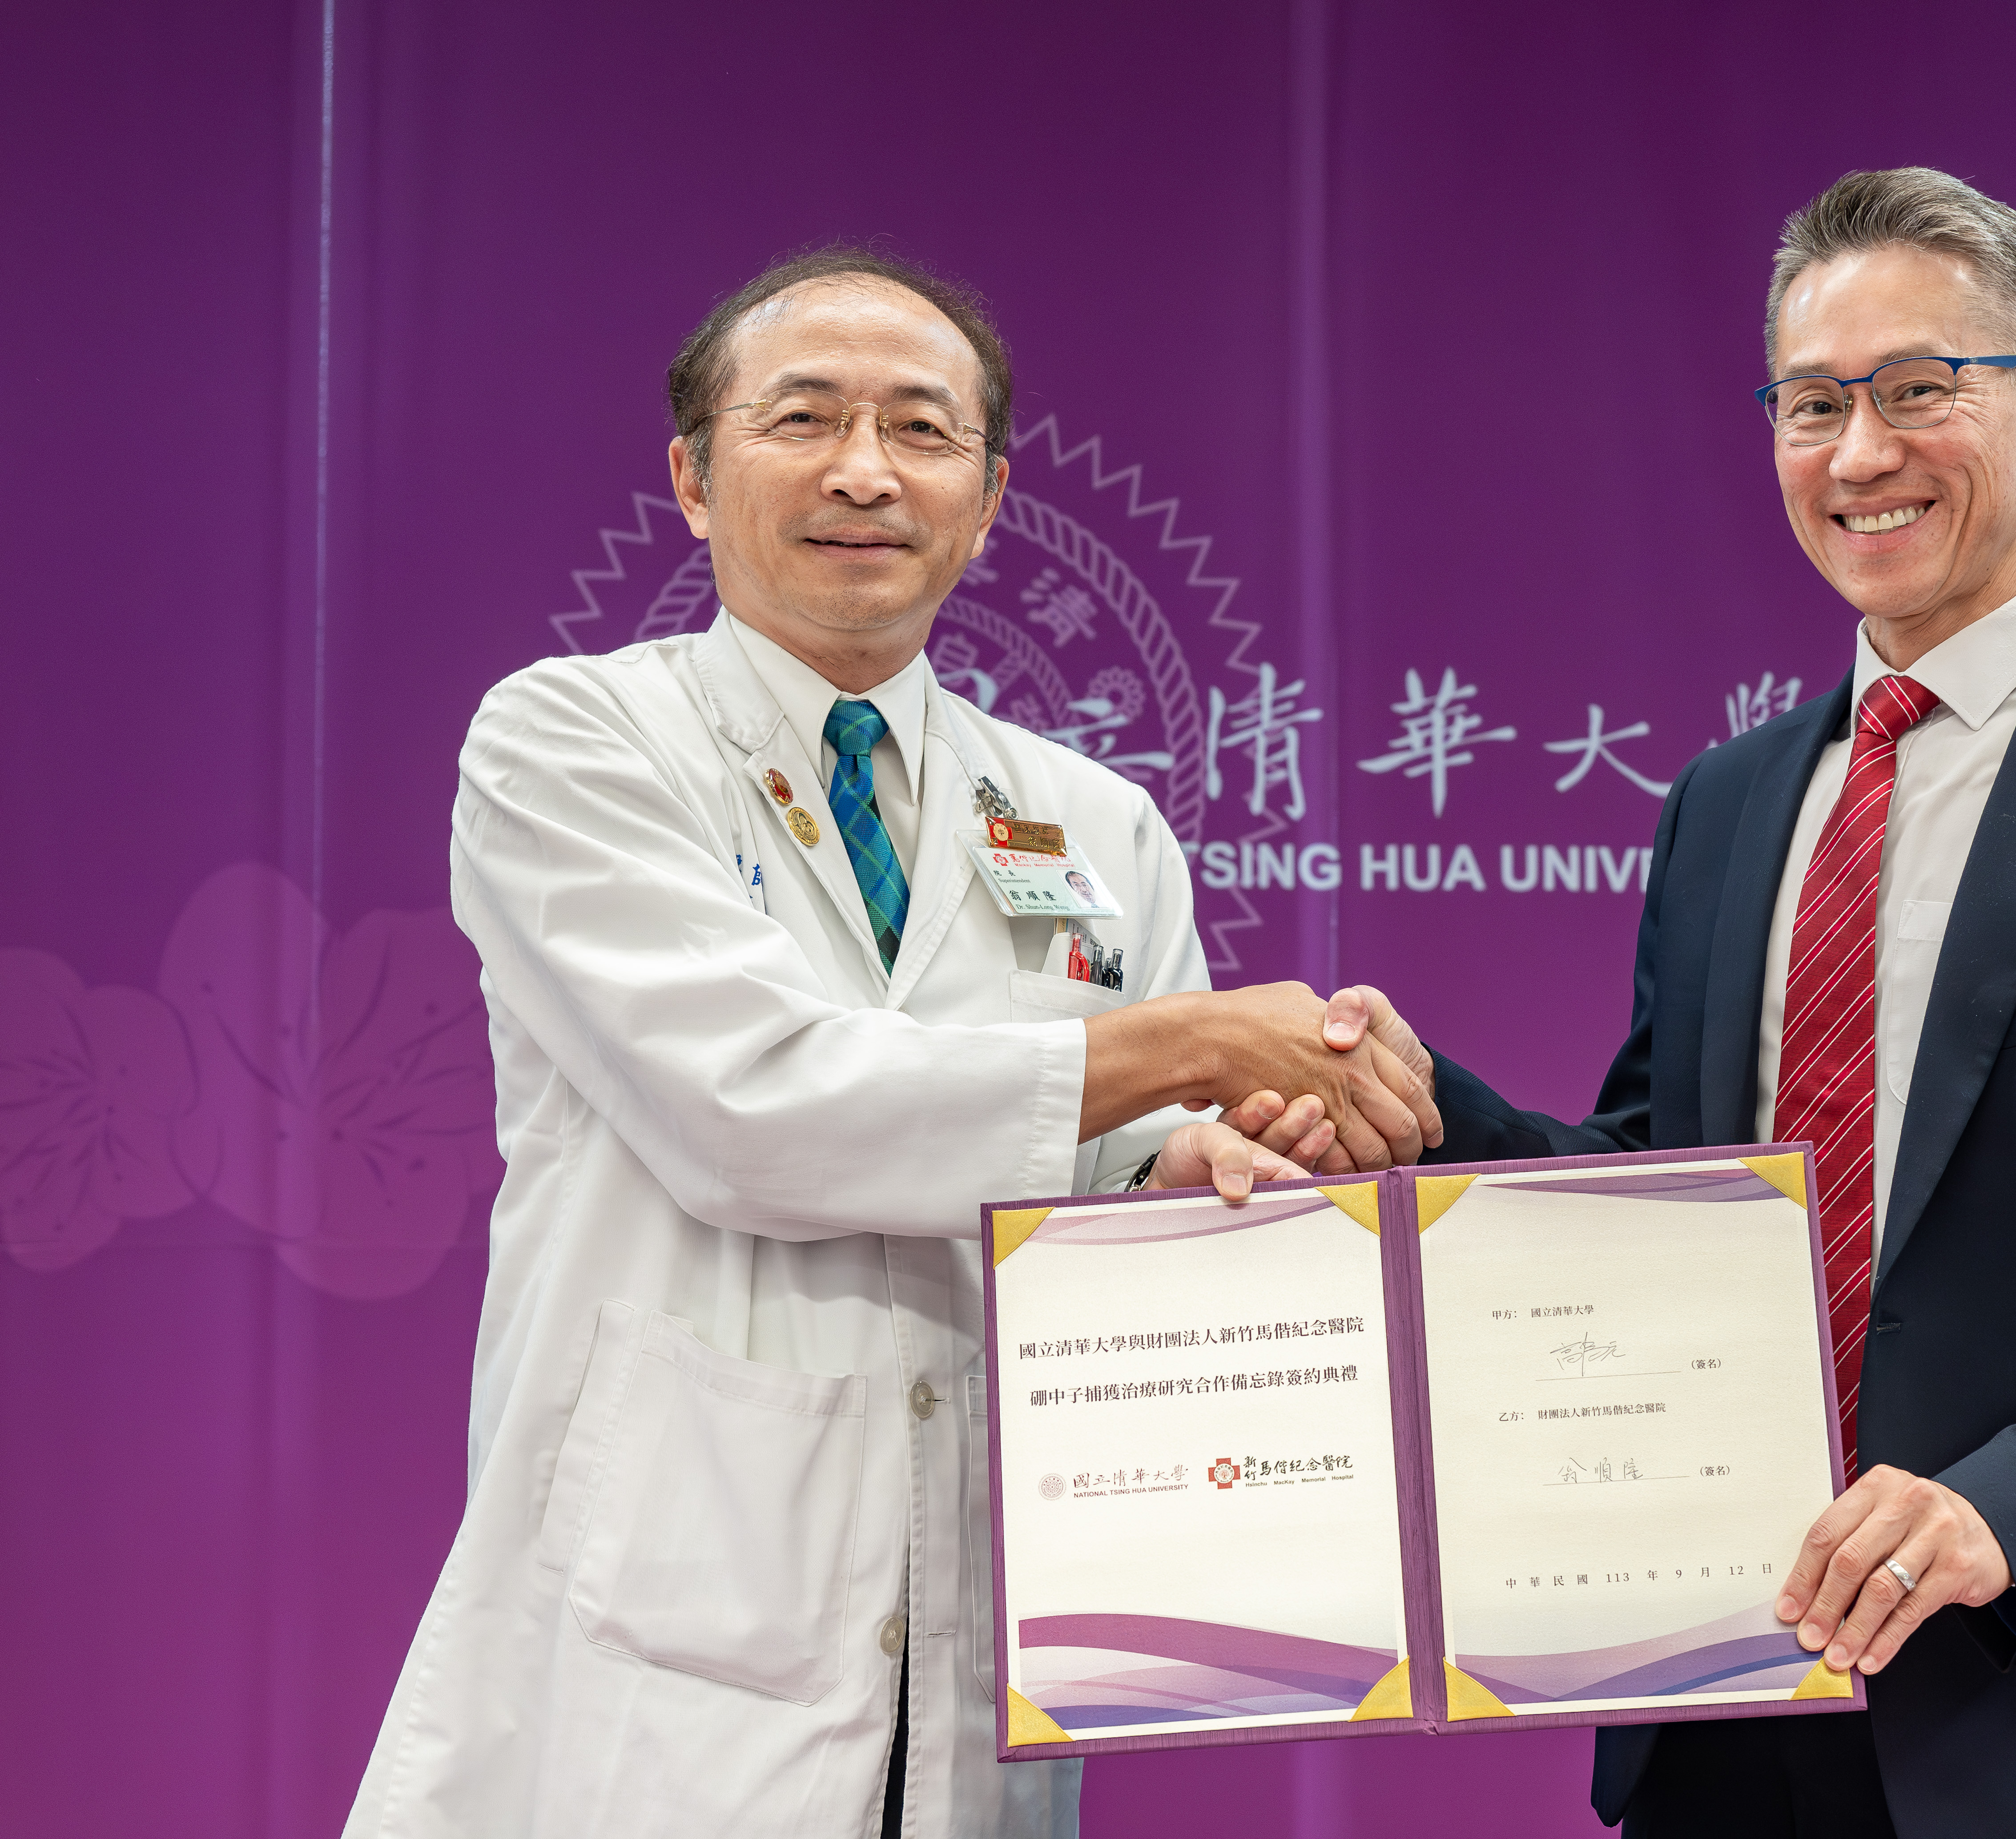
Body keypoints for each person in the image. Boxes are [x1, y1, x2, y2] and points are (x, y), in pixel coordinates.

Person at [1328, 169, 2016, 1836]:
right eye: (1811, 404)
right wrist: (1415, 1112)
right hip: (1728, 1709)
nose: (1858, 454)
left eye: (1915, 391)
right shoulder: (1729, 803)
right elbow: (1657, 1188)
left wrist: (2007, 1512)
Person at [342, 246, 1437, 1839]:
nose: (866, 470)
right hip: (663, 1634)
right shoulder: (573, 740)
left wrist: (1212, 1156)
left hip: (997, 1613)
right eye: (804, 417)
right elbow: (751, 1110)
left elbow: (1123, 1168)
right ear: (692, 478)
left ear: (987, 501)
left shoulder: (1094, 819)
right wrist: (1187, 1046)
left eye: (922, 431)